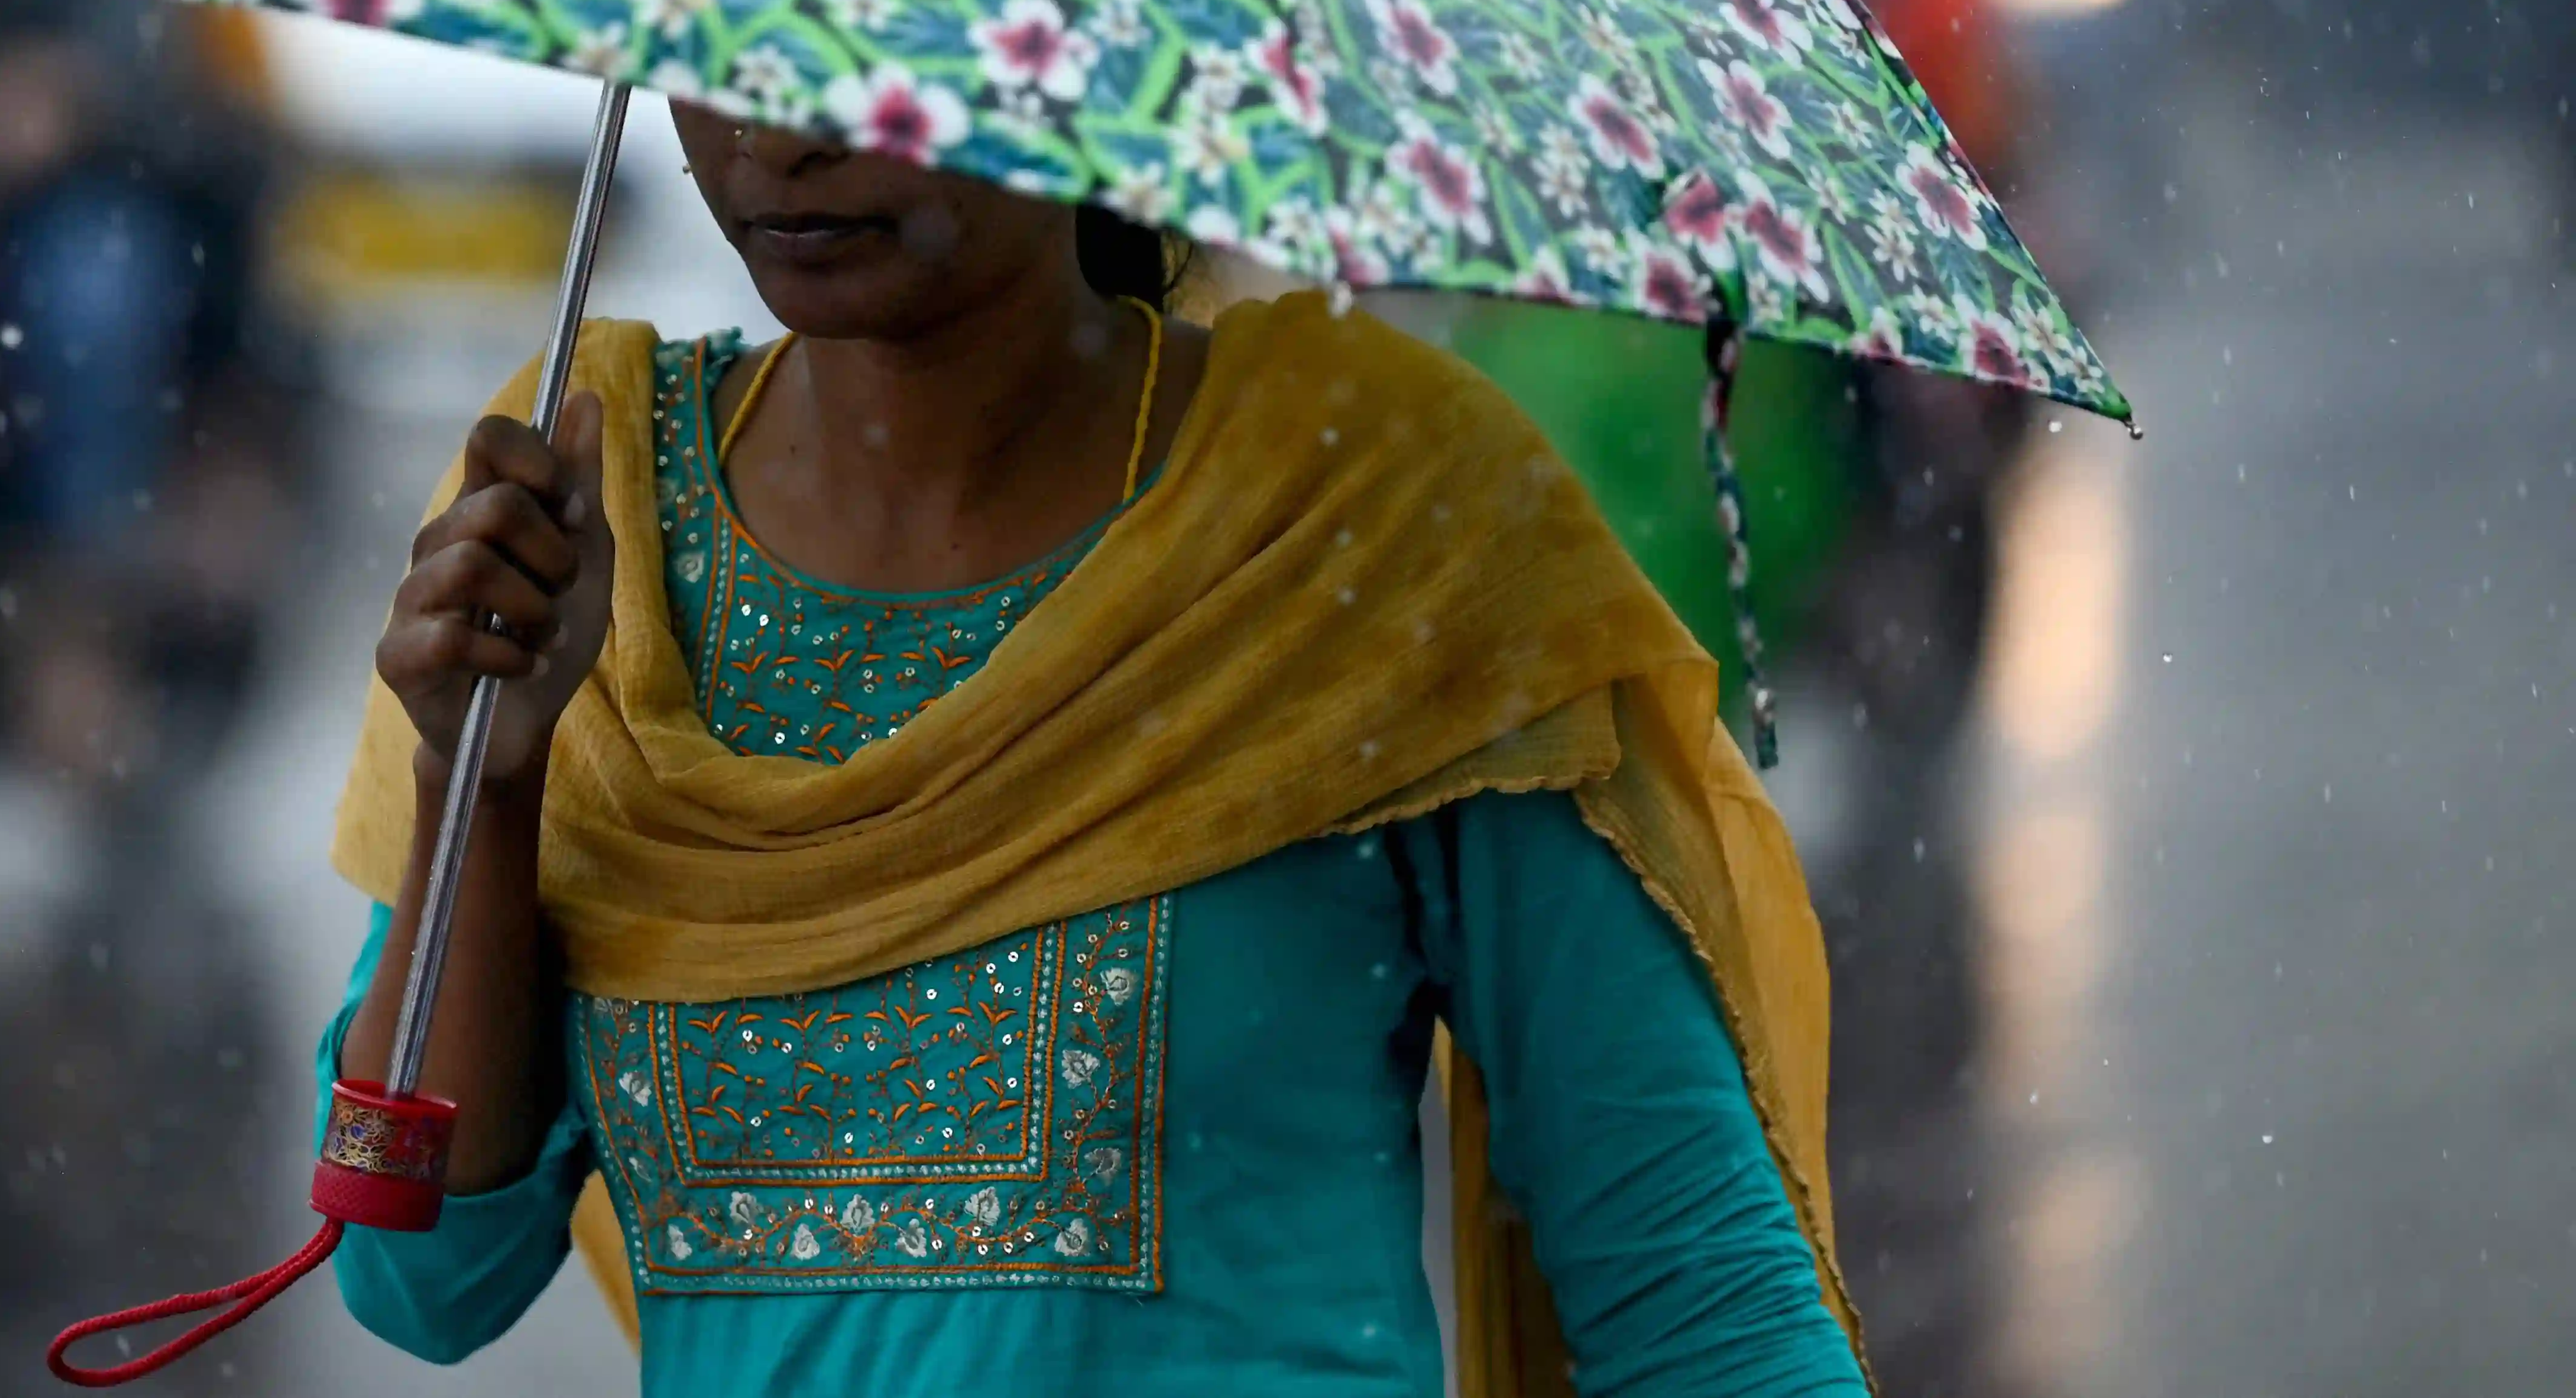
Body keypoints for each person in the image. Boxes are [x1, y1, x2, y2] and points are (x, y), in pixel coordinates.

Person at [311, 106, 1871, 1396]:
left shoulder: (1358, 520)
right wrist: (484, 778)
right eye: (728, 37)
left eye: (882, 28)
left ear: (1086, 29)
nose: (780, 133)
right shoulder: (592, 520)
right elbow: (413, 1264)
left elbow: (1696, 1306)